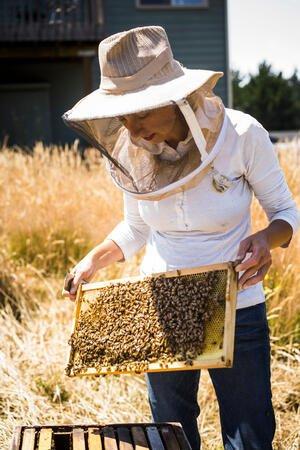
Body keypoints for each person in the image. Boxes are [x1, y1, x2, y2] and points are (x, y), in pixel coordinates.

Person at [62, 26, 299, 450]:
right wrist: (93, 260)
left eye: (141, 113)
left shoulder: (242, 135)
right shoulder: (131, 157)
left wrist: (266, 239)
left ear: (175, 98)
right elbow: (136, 228)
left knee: (249, 433)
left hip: (237, 302)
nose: (132, 131)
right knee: (170, 435)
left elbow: (286, 213)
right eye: (123, 118)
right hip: (162, 305)